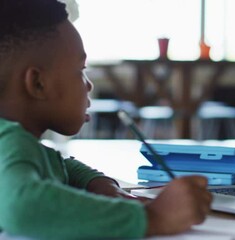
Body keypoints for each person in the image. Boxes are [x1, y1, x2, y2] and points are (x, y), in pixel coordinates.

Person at [0, 0, 212, 239]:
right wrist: (154, 218)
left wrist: (96, 181)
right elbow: (22, 208)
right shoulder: (11, 143)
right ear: (38, 84)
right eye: (80, 70)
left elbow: (59, 165)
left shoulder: (15, 143)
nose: (89, 84)